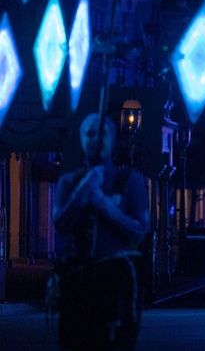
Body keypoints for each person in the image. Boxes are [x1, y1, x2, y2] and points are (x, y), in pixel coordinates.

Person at [52, 114, 149, 351]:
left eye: (102, 133)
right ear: (81, 139)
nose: (95, 139)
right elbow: (61, 223)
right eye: (89, 133)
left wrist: (104, 204)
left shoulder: (129, 181)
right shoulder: (68, 182)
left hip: (116, 281)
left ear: (113, 139)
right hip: (78, 279)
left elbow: (140, 231)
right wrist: (83, 191)